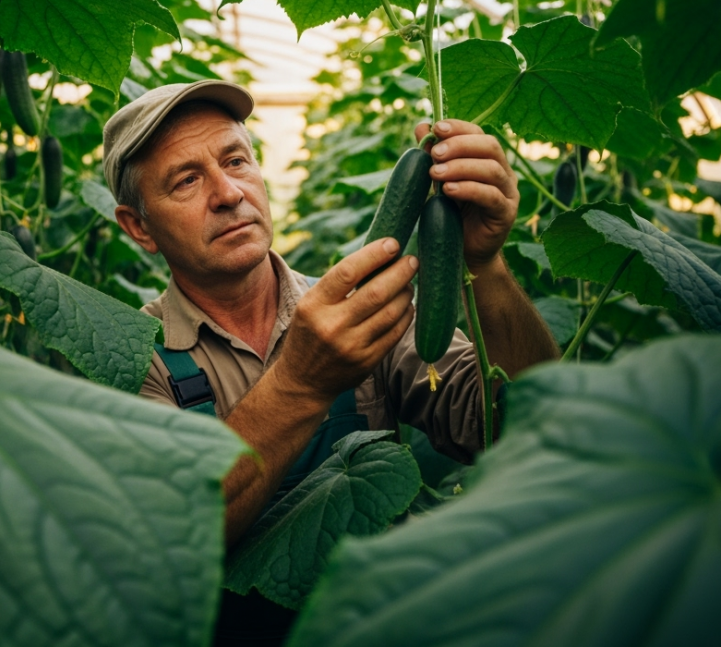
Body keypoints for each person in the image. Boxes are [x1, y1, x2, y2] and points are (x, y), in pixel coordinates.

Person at [104, 80, 558, 645]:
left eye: (235, 160)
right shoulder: (126, 355)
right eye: (187, 180)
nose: (227, 192)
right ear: (138, 226)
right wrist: (301, 382)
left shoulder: (358, 309)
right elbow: (159, 540)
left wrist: (485, 266)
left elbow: (528, 428)